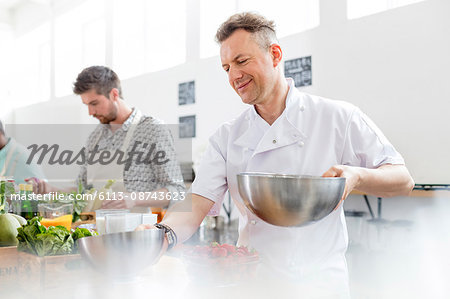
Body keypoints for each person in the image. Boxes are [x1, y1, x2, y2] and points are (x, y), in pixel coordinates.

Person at [138, 12, 415, 295]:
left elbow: (403, 180)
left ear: (275, 54)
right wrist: (164, 235)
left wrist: (356, 175)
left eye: (241, 61)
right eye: (226, 68)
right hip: (253, 282)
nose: (234, 75)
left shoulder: (336, 116)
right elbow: (196, 205)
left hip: (320, 284)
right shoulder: (227, 137)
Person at [30, 66, 185, 211]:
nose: (91, 112)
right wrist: (52, 190)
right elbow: (82, 189)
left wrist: (133, 199)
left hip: (136, 233)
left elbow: (177, 191)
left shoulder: (152, 129)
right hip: (94, 230)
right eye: (87, 105)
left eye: (94, 103)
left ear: (114, 94)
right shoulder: (95, 137)